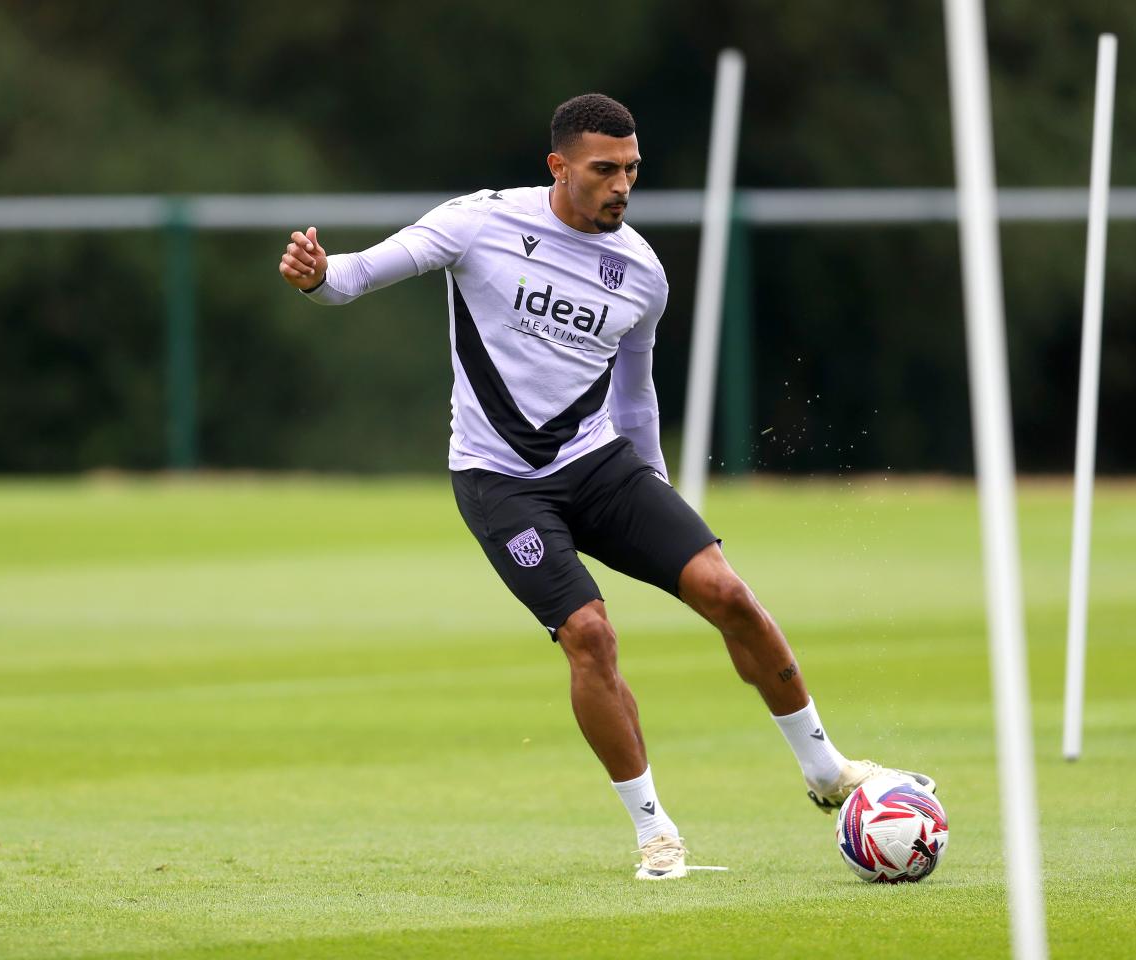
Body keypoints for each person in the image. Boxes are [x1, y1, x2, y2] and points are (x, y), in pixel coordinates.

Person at [278, 93, 934, 880]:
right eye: (604, 170)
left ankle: (827, 770)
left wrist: (653, 484)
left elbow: (634, 393)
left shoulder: (643, 273)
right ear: (558, 167)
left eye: (632, 169)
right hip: (499, 481)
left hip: (599, 466)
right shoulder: (479, 223)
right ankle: (656, 833)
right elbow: (356, 277)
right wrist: (319, 275)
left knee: (727, 592)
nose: (622, 185)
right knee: (590, 634)